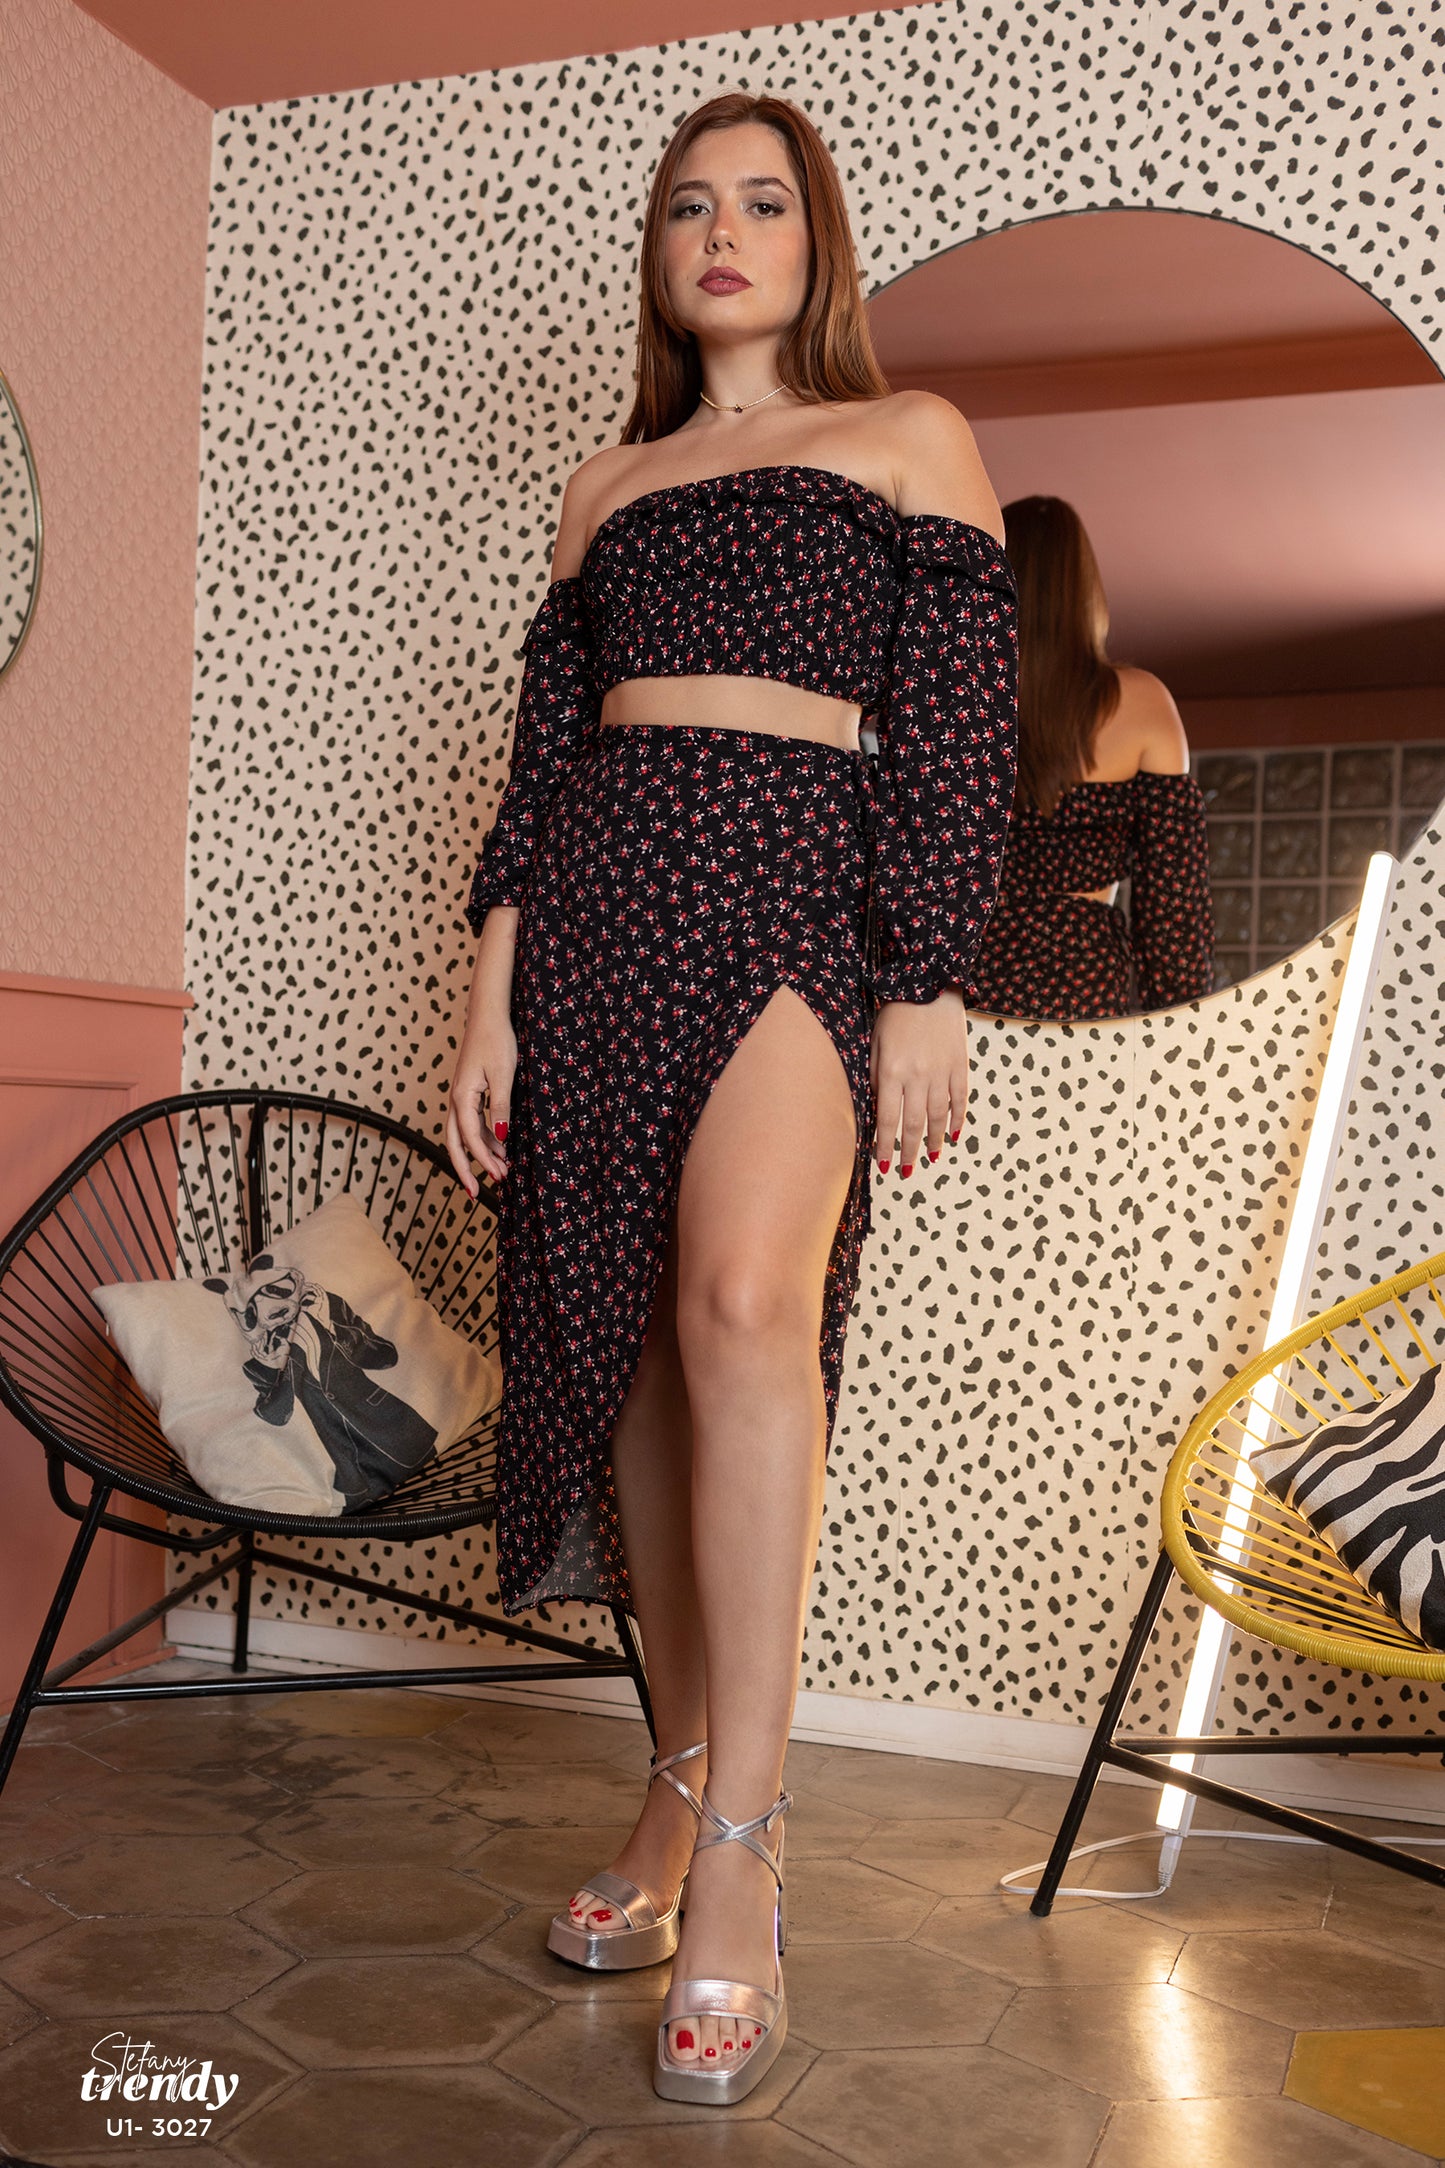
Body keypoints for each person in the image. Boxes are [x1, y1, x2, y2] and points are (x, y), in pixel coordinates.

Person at [445, 90, 1017, 2105]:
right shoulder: (604, 486)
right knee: (638, 1365)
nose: (722, 231)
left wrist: (929, 970)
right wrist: (491, 1000)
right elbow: (537, 767)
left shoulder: (908, 436)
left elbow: (958, 729)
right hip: (599, 900)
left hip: (797, 885)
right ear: (660, 252)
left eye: (762, 203)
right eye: (689, 204)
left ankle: (748, 1860)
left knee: (746, 1307)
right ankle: (675, 1781)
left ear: (813, 241)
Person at [964, 494, 1214, 1021]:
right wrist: (1179, 1035)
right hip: (1082, 977)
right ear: (1085, 590)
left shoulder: (962, 699)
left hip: (968, 972)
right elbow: (1173, 911)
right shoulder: (1144, 704)